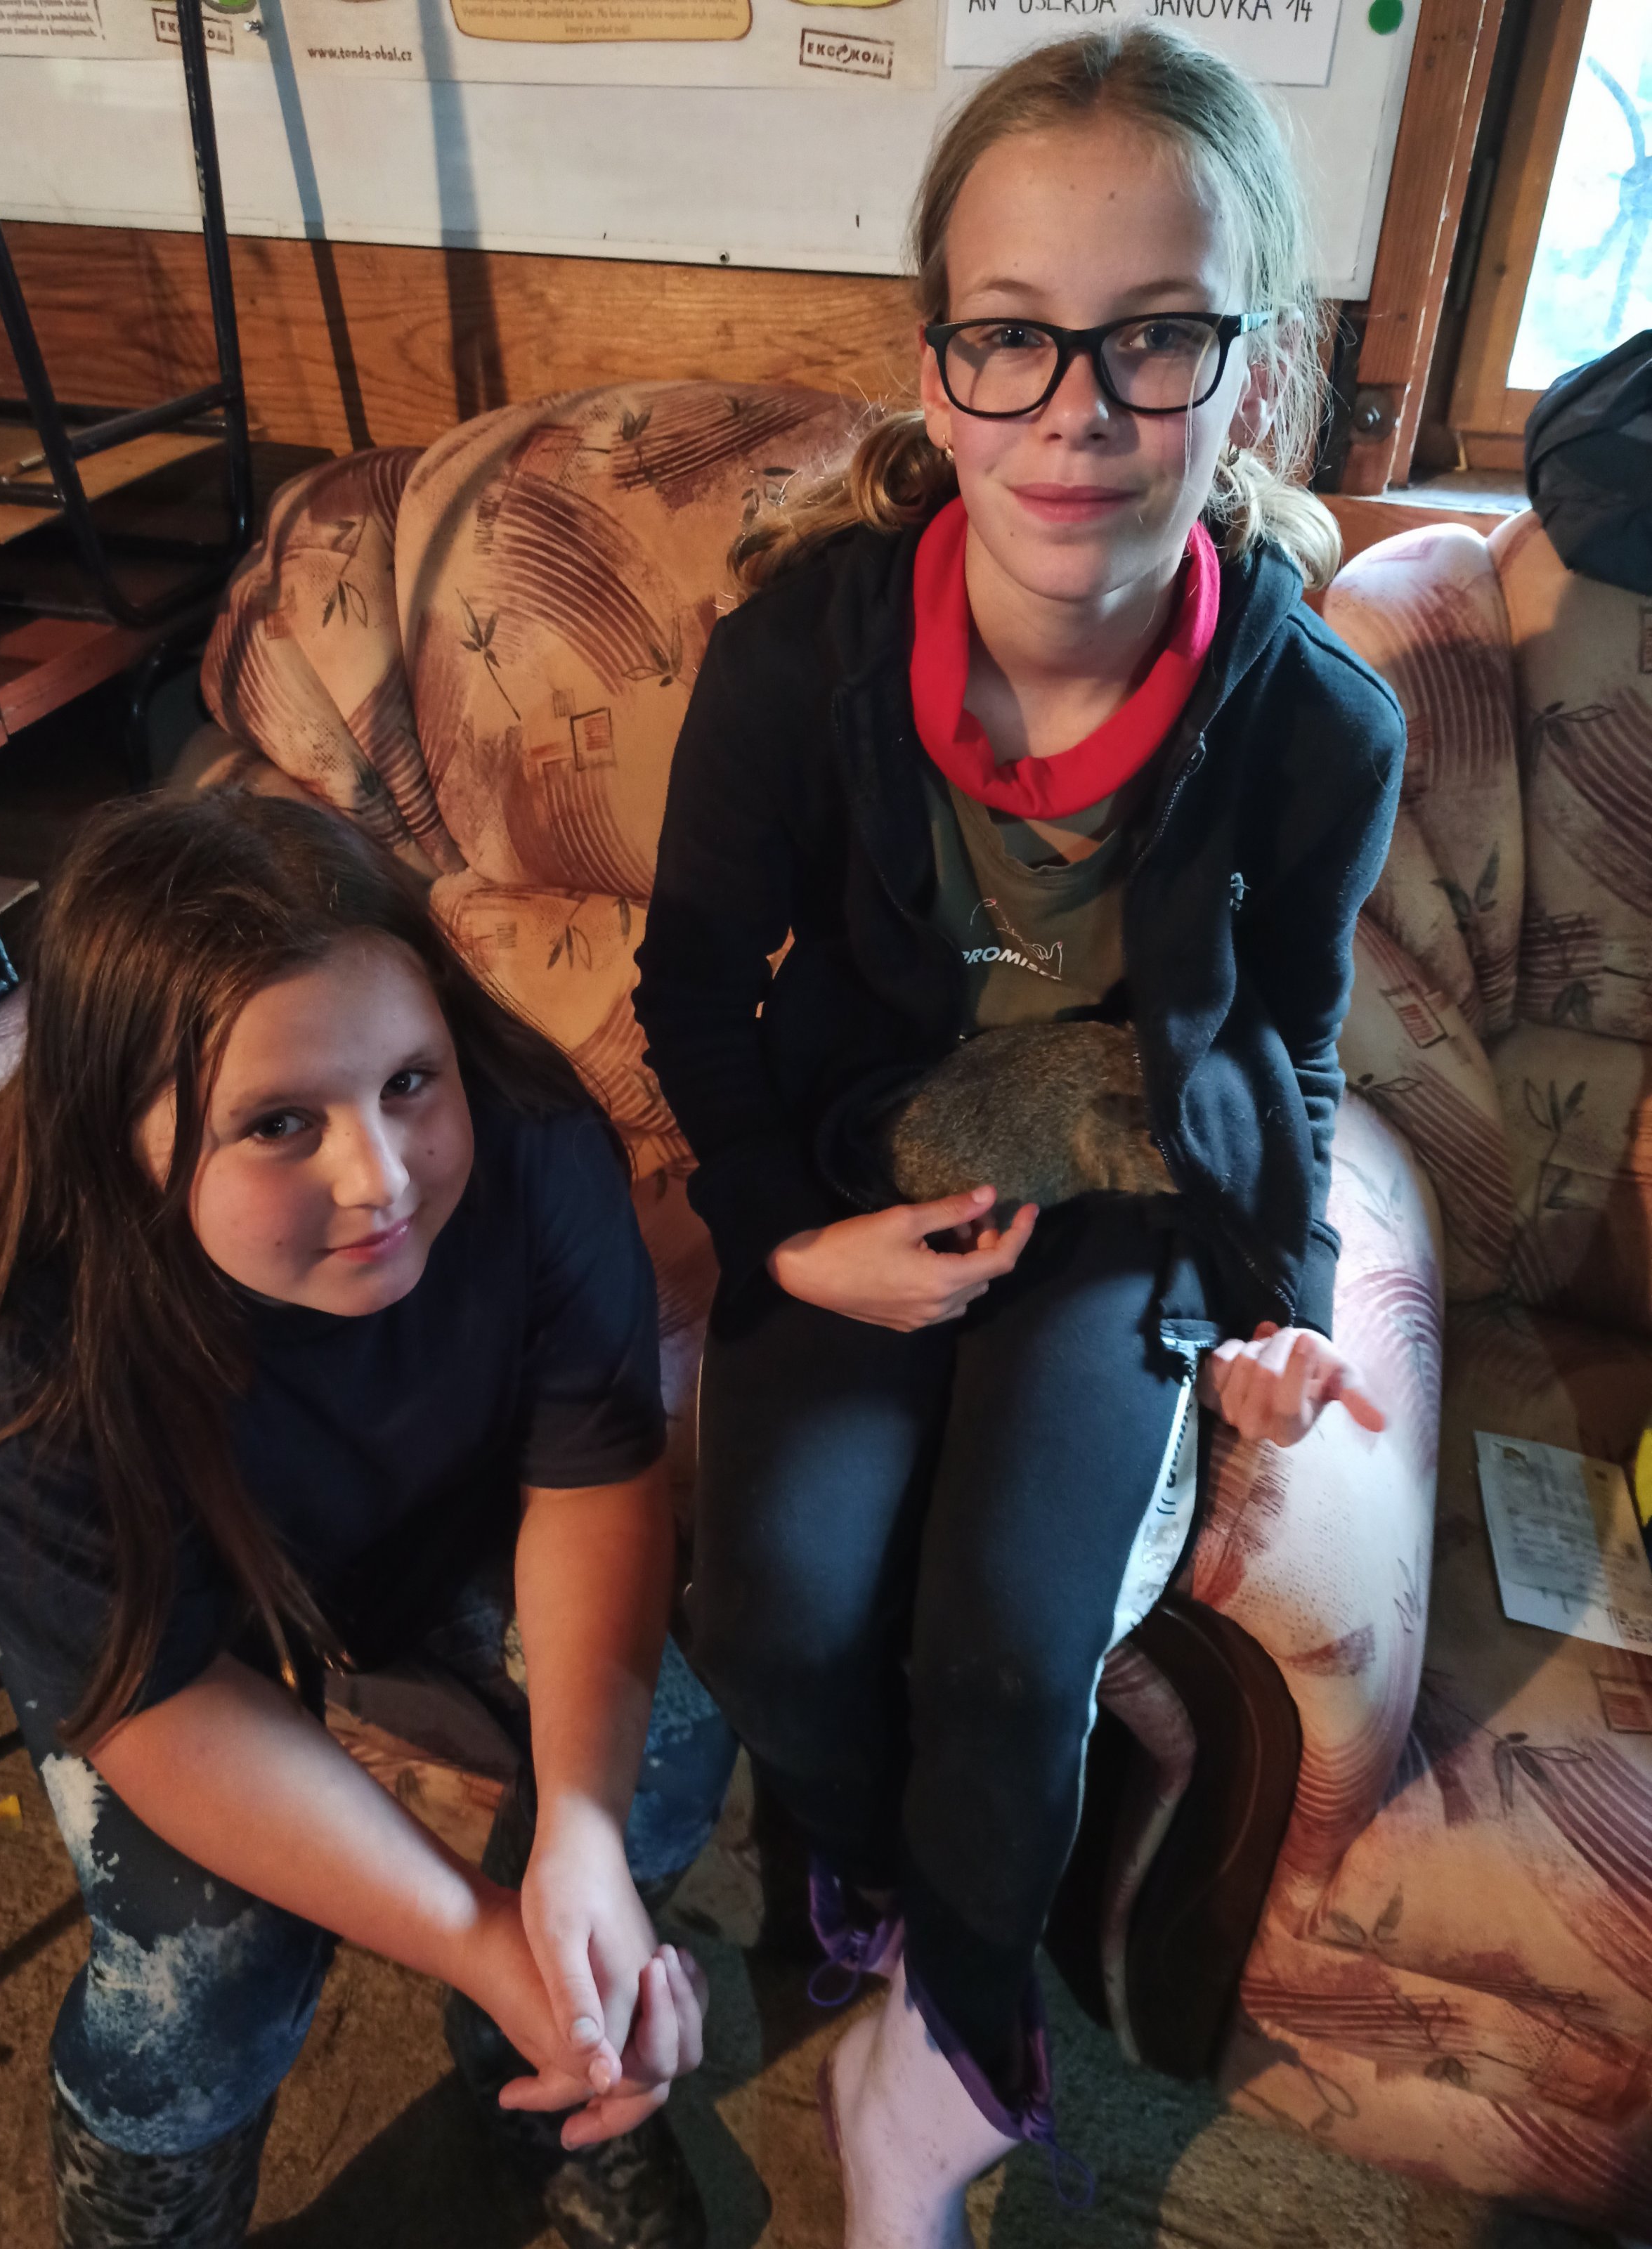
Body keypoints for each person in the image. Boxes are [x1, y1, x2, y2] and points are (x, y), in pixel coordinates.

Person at [633, 24, 1404, 2245]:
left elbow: (1292, 1040)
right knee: (775, 1614)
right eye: (1015, 338)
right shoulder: (798, 666)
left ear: (1250, 374)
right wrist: (789, 1242)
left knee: (1002, 1640)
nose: (1080, 411)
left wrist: (1279, 1303)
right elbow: (697, 991)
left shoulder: (1315, 726)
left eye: (1155, 338)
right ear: (939, 367)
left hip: (1126, 1195)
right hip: (865, 1165)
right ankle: (882, 1876)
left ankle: (954, 2040)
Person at [0, 792, 732, 2249]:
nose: (382, 1179)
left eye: (409, 1082)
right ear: (118, 1138)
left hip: (425, 1523)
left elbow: (592, 1471)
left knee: (659, 1761)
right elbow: (159, 1703)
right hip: (168, 1628)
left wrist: (570, 1853)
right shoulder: (25, 1326)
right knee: (210, 1968)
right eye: (279, 1123)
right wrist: (472, 1933)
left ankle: (538, 2064)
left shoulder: (530, 1140)